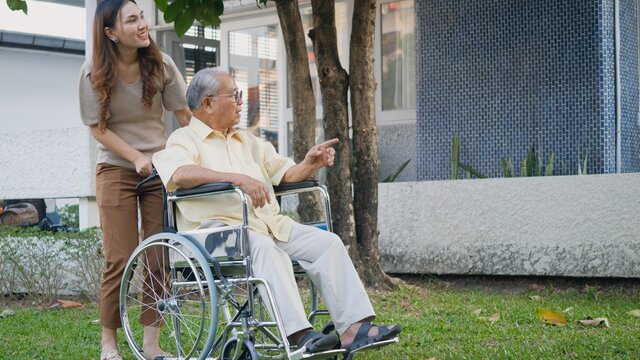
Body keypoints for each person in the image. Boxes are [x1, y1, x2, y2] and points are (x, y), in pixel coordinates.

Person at [152, 67, 402, 355]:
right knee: (266, 249)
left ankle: (353, 330)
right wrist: (235, 178)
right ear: (207, 103)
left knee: (327, 243)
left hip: (266, 224)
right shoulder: (183, 139)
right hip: (217, 234)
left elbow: (284, 173)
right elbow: (181, 174)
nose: (241, 101)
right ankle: (300, 336)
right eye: (234, 95)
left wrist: (310, 162)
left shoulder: (246, 140)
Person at [78, 1, 191, 359]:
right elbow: (98, 128)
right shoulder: (93, 71)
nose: (143, 24)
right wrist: (136, 156)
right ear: (111, 33)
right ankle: (108, 345)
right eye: (132, 20)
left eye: (141, 16)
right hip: (116, 169)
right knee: (120, 257)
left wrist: (206, 150)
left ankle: (152, 347)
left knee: (158, 256)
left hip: (159, 171)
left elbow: (185, 115)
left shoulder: (160, 64)